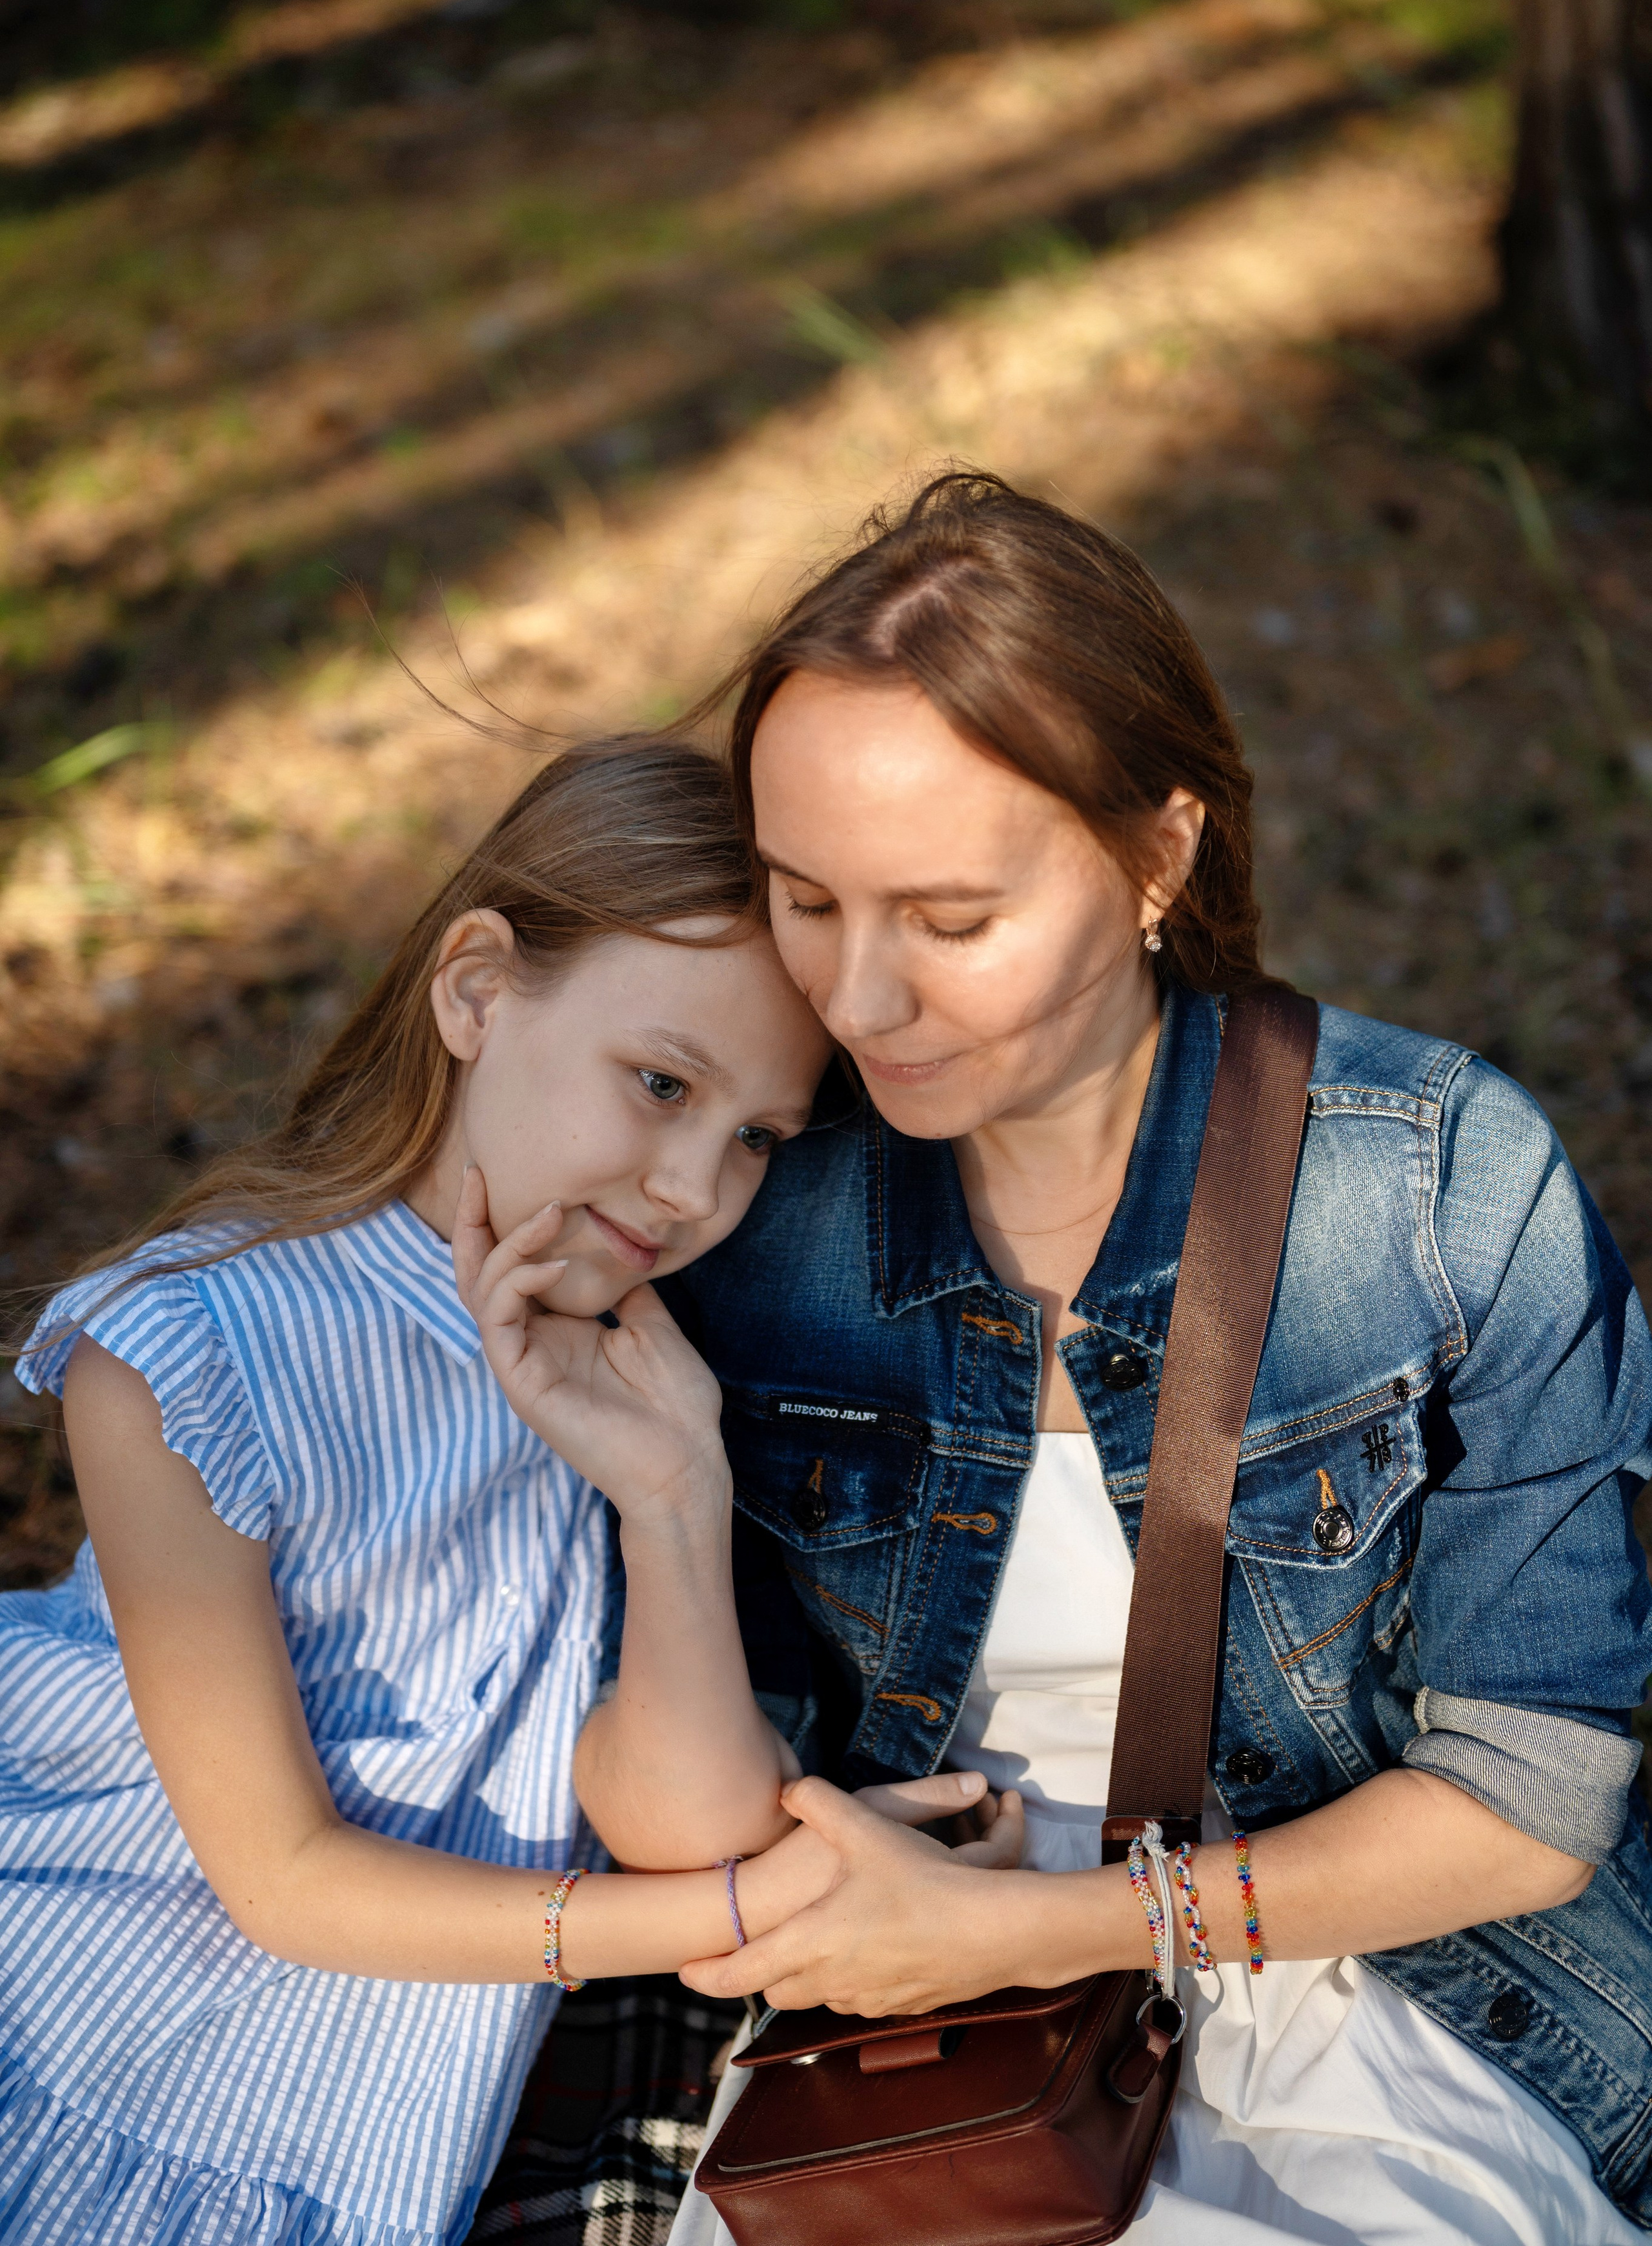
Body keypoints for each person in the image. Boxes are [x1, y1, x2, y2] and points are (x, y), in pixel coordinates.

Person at [536, 478, 1652, 2244]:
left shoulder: (1439, 1187)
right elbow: (694, 1799)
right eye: (804, 899)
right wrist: (670, 1504)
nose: (860, 1000)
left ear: (1159, 854)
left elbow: (1532, 1800)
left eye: (950, 920)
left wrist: (1041, 1926)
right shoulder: (750, 1212)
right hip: (903, 2027)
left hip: (1385, 1992)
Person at [0, 733, 1003, 2246]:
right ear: (475, 986)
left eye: (751, 1138)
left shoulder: (647, 1365)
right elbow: (282, 1880)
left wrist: (670, 1503)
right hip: (100, 2051)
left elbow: (692, 1818)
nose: (690, 1186)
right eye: (660, 1082)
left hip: (381, 2125)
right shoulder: (192, 1348)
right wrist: (748, 1916)